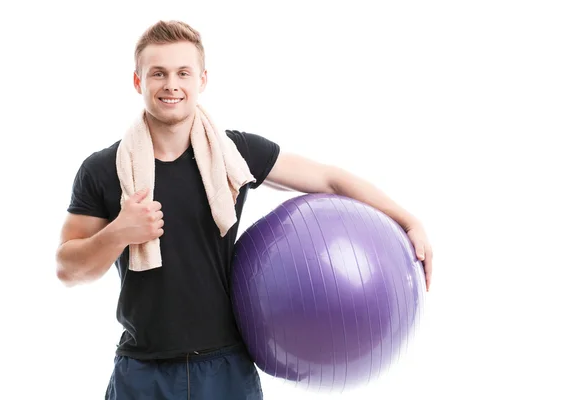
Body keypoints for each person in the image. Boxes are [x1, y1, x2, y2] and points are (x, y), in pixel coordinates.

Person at [55, 20, 433, 400]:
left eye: (183, 73)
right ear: (138, 82)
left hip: (226, 369)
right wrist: (120, 232)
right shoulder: (103, 170)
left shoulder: (234, 154)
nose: (171, 84)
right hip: (142, 370)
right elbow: (68, 268)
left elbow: (329, 179)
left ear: (202, 80)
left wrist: (408, 220)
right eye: (158, 73)